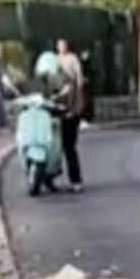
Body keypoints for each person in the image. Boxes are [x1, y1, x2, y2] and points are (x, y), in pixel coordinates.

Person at [55, 39, 86, 193]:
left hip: (70, 116)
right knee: (54, 147)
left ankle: (76, 180)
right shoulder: (54, 83)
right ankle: (50, 177)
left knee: (69, 147)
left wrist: (73, 112)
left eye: (63, 45)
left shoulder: (74, 85)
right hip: (59, 115)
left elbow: (78, 94)